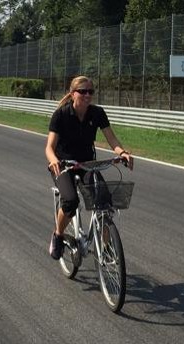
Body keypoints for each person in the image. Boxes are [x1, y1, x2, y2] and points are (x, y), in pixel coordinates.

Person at [45, 76, 133, 260]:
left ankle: (107, 246)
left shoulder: (97, 113)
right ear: (72, 93)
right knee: (70, 201)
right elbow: (49, 148)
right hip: (64, 166)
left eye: (90, 92)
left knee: (104, 203)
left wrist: (122, 152)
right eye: (82, 91)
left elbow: (111, 138)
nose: (87, 95)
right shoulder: (61, 114)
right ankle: (58, 235)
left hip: (87, 165)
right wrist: (54, 160)